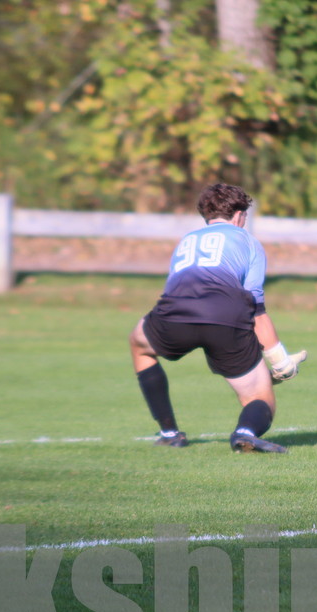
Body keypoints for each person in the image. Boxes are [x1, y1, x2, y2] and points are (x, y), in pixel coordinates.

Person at [129, 183, 305, 454]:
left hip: (175, 314)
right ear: (239, 215)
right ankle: (245, 433)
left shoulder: (187, 240)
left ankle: (169, 433)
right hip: (226, 317)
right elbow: (256, 307)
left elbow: (175, 287)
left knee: (139, 344)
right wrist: (279, 360)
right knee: (260, 397)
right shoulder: (249, 242)